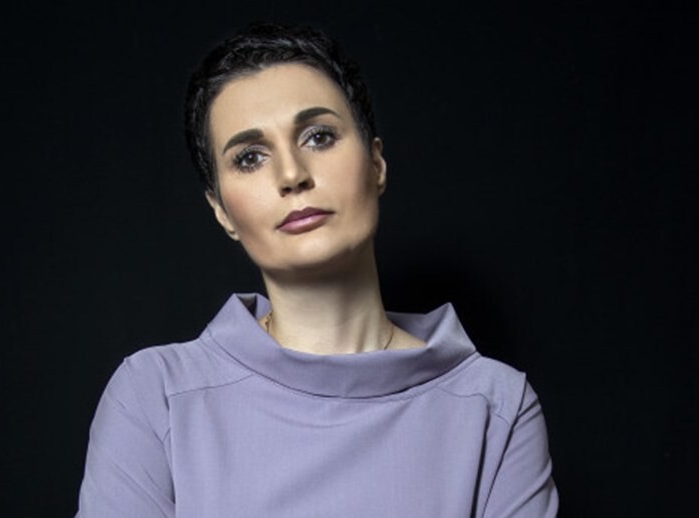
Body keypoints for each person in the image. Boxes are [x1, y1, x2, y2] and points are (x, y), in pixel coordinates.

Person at [75, 22, 558, 517]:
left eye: (319, 136)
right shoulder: (156, 396)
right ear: (221, 211)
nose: (291, 175)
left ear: (376, 163)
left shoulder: (495, 407)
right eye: (250, 158)